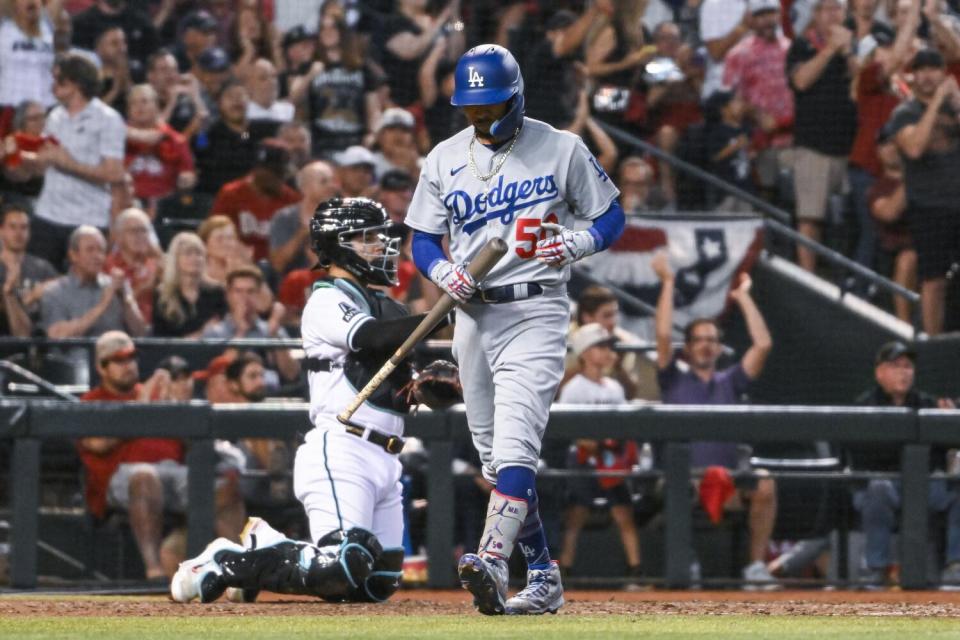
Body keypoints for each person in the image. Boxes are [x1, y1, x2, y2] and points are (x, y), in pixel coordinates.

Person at [405, 44, 625, 615]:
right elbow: (423, 239)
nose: (479, 117)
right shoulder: (444, 157)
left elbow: (611, 215)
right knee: (491, 456)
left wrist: (579, 241)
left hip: (536, 308)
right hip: (473, 314)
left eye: (489, 106)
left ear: (515, 96)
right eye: (471, 108)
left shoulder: (561, 146)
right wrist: (441, 270)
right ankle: (544, 574)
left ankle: (493, 559)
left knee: (515, 442)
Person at [171, 197, 430, 604]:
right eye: (368, 238)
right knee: (342, 567)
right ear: (338, 244)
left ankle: (265, 546)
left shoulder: (387, 306)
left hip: (386, 455)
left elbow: (398, 377)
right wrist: (447, 313)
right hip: (343, 446)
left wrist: (430, 386)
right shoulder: (326, 298)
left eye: (380, 237)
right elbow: (371, 339)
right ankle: (228, 560)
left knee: (376, 583)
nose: (381, 246)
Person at [652, 252, 777, 589]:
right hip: (684, 478)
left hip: (729, 479)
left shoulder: (731, 380)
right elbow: (663, 336)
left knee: (764, 482)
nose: (706, 346)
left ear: (720, 348)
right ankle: (686, 562)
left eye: (712, 340)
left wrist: (743, 298)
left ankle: (754, 566)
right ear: (688, 348)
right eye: (699, 340)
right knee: (681, 484)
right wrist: (668, 282)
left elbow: (763, 344)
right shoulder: (672, 379)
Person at [79, 330, 245, 580]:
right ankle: (154, 570)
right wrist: (140, 406)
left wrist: (179, 407)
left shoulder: (156, 391)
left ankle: (238, 573)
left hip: (173, 471)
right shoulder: (92, 400)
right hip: (125, 476)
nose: (129, 365)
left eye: (132, 358)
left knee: (225, 487)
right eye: (119, 360)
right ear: (102, 368)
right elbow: (97, 443)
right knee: (145, 477)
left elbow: (191, 446)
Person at [850, 341, 960, 588]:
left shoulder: (927, 404)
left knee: (956, 490)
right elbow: (860, 457)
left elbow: (947, 452)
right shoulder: (864, 405)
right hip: (882, 485)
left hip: (924, 486)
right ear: (880, 372)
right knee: (878, 488)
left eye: (908, 366)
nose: (904, 372)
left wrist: (950, 422)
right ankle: (876, 569)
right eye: (896, 366)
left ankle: (955, 567)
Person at [556, 323, 643, 588]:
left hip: (610, 459)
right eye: (600, 347)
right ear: (584, 352)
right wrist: (594, 443)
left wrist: (611, 444)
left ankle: (636, 572)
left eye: (608, 347)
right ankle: (564, 571)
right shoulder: (574, 387)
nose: (606, 352)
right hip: (583, 458)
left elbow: (622, 426)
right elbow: (569, 431)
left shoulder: (613, 387)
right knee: (576, 515)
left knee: (623, 514)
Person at [24, 53, 126, 270]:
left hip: (87, 219)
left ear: (76, 83)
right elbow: (47, 162)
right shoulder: (54, 117)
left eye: (59, 81)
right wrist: (23, 158)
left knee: (82, 287)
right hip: (48, 215)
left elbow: (114, 173)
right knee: (36, 282)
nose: (53, 86)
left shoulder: (108, 119)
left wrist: (68, 164)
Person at [888, 48, 960, 335]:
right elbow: (915, 148)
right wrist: (936, 102)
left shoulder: (954, 108)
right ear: (913, 75)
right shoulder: (904, 113)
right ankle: (932, 341)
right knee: (934, 280)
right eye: (922, 70)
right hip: (929, 206)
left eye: (934, 69)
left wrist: (955, 102)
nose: (929, 76)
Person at [786, 0, 858, 272]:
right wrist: (830, 49)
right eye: (827, 8)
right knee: (810, 217)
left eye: (838, 8)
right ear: (815, 14)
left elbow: (861, 81)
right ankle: (808, 279)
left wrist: (848, 51)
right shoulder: (802, 45)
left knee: (849, 220)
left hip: (849, 146)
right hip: (814, 144)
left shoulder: (855, 46)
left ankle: (845, 275)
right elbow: (801, 81)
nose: (833, 14)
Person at [40, 226, 146, 345]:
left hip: (116, 358)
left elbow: (141, 334)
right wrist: (102, 304)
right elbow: (57, 335)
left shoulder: (117, 285)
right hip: (74, 360)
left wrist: (126, 301)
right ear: (73, 255)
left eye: (101, 251)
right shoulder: (55, 291)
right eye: (90, 250)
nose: (97, 256)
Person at [201, 265, 299, 383]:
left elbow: (291, 374)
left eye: (250, 291)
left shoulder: (273, 329)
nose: (244, 298)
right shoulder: (215, 332)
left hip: (270, 394)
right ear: (228, 295)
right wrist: (241, 331)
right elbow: (220, 376)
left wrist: (273, 335)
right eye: (238, 291)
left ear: (258, 295)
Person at [209, 139, 301, 262]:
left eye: (283, 174)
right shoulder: (231, 194)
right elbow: (215, 235)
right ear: (258, 170)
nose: (281, 179)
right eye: (276, 173)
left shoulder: (291, 199)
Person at [124, 83, 196, 216]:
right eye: (134, 103)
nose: (139, 107)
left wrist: (186, 180)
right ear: (128, 110)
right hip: (125, 205)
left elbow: (187, 173)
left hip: (163, 207)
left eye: (144, 101)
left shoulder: (175, 140)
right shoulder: (116, 136)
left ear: (156, 106)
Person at [269, 160, 339, 276]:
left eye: (332, 181)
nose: (331, 186)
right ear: (305, 188)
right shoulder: (285, 217)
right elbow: (277, 264)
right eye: (324, 182)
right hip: (294, 284)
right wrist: (302, 233)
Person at [152, 231, 226, 338]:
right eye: (188, 253)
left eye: (199, 253)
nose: (195, 258)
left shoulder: (217, 292)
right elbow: (160, 339)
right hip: (174, 353)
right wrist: (200, 335)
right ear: (176, 260)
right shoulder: (162, 295)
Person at [0, 202, 58, 337]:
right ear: (1, 230)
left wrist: (44, 288)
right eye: (12, 227)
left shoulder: (42, 267)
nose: (18, 233)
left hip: (37, 335)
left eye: (24, 228)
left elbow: (62, 286)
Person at [103, 207, 161, 322]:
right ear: (119, 237)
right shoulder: (107, 265)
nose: (139, 236)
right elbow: (109, 307)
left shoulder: (157, 265)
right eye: (133, 231)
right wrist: (143, 289)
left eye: (143, 230)